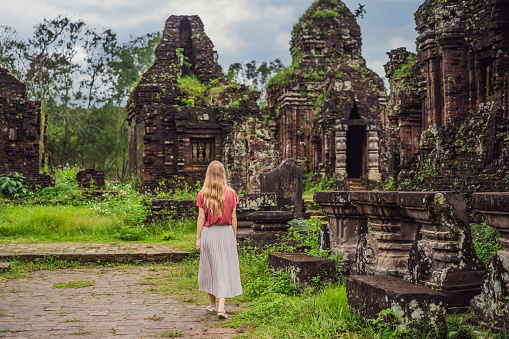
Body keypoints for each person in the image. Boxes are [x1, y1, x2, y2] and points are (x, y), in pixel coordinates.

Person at [195, 160, 242, 319]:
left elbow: (201, 218)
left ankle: (214, 304)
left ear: (208, 174)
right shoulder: (231, 193)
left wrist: (198, 238)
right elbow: (234, 217)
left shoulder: (203, 193)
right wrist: (233, 237)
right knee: (223, 268)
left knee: (210, 267)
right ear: (223, 174)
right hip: (226, 233)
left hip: (209, 233)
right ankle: (220, 306)